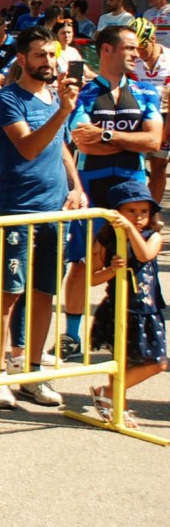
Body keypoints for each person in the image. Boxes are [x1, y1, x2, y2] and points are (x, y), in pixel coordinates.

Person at [0, 25, 85, 409]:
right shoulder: (9, 99)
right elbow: (27, 147)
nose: (49, 62)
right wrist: (62, 110)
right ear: (23, 59)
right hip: (18, 209)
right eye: (41, 55)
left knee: (45, 293)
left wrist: (76, 186)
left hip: (54, 211)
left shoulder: (54, 97)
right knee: (10, 293)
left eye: (52, 55)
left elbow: (60, 148)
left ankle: (31, 373)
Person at [67, 23, 162, 368]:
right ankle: (71, 336)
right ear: (107, 50)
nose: (136, 54)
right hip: (92, 185)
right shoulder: (85, 94)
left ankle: (124, 334)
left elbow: (153, 142)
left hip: (132, 188)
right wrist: (124, 138)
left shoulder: (146, 93)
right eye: (129, 48)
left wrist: (105, 136)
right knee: (81, 263)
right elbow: (81, 138)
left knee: (132, 261)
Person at [86, 180, 166, 426]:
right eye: (131, 211)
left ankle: (108, 394)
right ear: (117, 212)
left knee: (158, 363)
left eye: (144, 211)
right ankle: (118, 405)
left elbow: (144, 255)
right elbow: (91, 277)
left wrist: (131, 230)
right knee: (120, 362)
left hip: (146, 311)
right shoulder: (105, 241)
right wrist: (110, 271)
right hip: (118, 308)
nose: (139, 216)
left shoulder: (153, 237)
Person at [130, 17, 170, 202]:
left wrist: (167, 129)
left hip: (164, 115)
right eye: (134, 48)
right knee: (135, 164)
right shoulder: (132, 60)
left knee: (159, 164)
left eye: (142, 47)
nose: (138, 53)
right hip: (138, 116)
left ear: (153, 39)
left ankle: (152, 211)